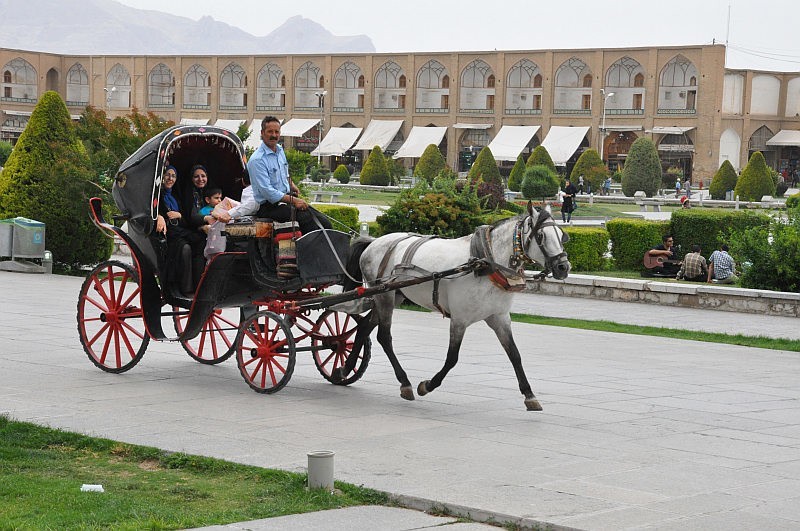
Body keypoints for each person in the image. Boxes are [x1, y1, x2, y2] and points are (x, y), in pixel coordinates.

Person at [249, 116, 331, 234]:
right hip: (269, 207)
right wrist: (294, 201)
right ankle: (308, 252)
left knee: (323, 221)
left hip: (285, 202)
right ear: (262, 133)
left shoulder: (279, 150)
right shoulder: (257, 160)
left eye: (277, 132)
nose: (274, 135)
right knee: (307, 220)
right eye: (270, 131)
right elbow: (268, 192)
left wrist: (292, 185)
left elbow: (284, 174)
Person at [155, 165, 206, 296]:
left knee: (201, 241)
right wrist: (159, 216)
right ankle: (186, 288)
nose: (170, 178)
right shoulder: (156, 195)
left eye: (173, 176)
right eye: (167, 175)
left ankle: (200, 284)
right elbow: (151, 211)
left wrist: (179, 215)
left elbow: (184, 220)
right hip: (167, 233)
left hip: (180, 230)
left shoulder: (176, 196)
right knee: (185, 248)